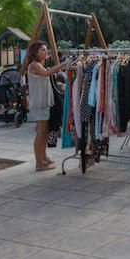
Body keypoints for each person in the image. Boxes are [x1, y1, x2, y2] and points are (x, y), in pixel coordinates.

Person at [25, 41, 73, 172]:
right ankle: (39, 162)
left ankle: (43, 156)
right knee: (40, 132)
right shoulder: (34, 65)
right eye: (43, 50)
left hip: (44, 102)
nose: (45, 52)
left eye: (46, 50)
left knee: (45, 132)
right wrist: (64, 63)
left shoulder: (40, 65)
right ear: (35, 52)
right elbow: (46, 74)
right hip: (39, 103)